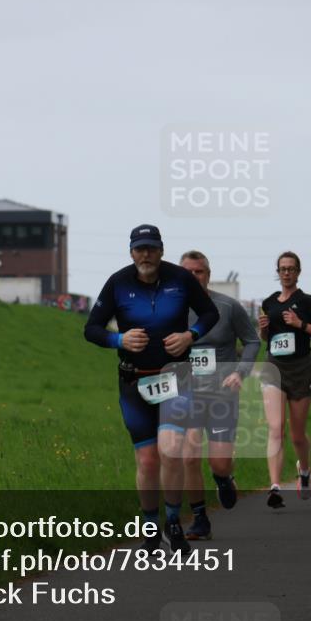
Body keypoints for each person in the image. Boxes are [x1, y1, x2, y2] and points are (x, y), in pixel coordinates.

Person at [84, 225, 219, 552]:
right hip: (135, 381)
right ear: (131, 252)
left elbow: (209, 313)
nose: (145, 255)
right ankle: (149, 528)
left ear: (161, 250)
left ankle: (174, 521)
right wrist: (119, 338)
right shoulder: (118, 283)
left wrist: (191, 335)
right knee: (147, 460)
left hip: (176, 378)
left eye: (151, 248)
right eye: (139, 249)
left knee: (171, 449)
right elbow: (91, 329)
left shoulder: (181, 279)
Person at [178, 251, 260, 541]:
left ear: (207, 275)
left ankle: (223, 478)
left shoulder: (228, 306)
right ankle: (200, 519)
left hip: (222, 395)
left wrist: (240, 372)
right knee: (188, 456)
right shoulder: (172, 309)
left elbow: (251, 341)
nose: (193, 277)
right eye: (186, 272)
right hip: (188, 394)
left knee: (219, 462)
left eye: (198, 272)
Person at [258, 251, 311, 508]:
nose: (287, 272)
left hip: (301, 370)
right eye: (282, 269)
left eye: (291, 268)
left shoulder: (309, 301)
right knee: (276, 428)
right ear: (277, 272)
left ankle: (304, 472)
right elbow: (267, 340)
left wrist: (301, 324)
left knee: (297, 435)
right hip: (274, 369)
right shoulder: (268, 302)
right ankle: (275, 486)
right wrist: (263, 330)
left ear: (298, 272)